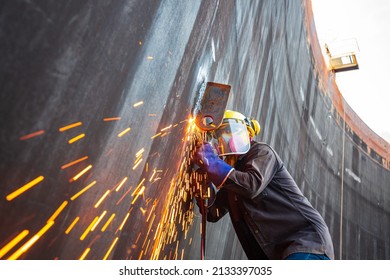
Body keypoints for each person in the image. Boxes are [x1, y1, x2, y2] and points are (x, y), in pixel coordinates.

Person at [192, 110, 334, 260]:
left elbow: (251, 185)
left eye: (228, 132)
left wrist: (212, 162)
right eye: (220, 136)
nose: (224, 140)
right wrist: (203, 185)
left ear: (248, 135)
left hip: (306, 245)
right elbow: (212, 213)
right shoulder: (233, 181)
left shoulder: (262, 152)